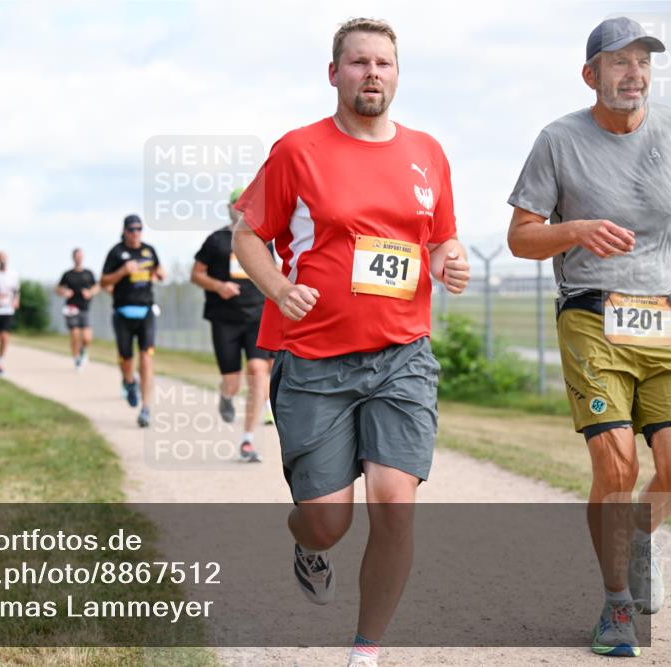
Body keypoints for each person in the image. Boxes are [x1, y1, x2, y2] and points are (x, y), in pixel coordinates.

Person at [232, 18, 470, 667]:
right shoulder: (297, 150)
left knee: (395, 504)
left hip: (402, 358)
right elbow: (248, 234)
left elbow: (441, 237)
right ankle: (308, 543)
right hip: (314, 362)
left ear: (397, 74)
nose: (372, 73)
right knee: (327, 520)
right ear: (334, 73)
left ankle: (365, 650)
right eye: (359, 62)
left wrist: (451, 259)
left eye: (383, 63)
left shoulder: (428, 152)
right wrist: (280, 290)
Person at [507, 16, 669, 658]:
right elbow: (521, 236)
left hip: (661, 315)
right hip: (592, 314)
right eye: (620, 62)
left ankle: (634, 539)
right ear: (591, 74)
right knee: (617, 462)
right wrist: (574, 230)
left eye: (644, 63)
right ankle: (617, 608)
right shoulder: (558, 140)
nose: (634, 74)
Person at [191, 187, 274, 462]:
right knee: (233, 382)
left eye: (245, 205)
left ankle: (248, 440)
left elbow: (272, 274)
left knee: (258, 371)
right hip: (224, 318)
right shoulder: (216, 240)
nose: (240, 210)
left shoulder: (263, 239)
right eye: (236, 205)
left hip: (256, 316)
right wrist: (218, 285)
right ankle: (226, 397)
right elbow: (196, 274)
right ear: (228, 207)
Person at [101, 214, 166, 428]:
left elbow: (158, 269)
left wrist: (160, 273)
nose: (136, 233)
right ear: (125, 231)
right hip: (122, 313)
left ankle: (146, 408)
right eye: (132, 230)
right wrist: (122, 271)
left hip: (146, 311)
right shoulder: (116, 252)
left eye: (139, 229)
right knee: (126, 359)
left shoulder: (149, 250)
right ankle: (129, 382)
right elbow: (103, 281)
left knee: (146, 357)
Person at [57, 248, 99, 370]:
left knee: (87, 337)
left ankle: (83, 350)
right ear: (73, 257)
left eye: (81, 256)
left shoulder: (89, 273)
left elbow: (96, 287)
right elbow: (58, 288)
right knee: (75, 333)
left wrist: (90, 292)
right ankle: (76, 359)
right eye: (77, 256)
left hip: (85, 308)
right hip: (71, 308)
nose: (79, 258)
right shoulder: (67, 274)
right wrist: (65, 291)